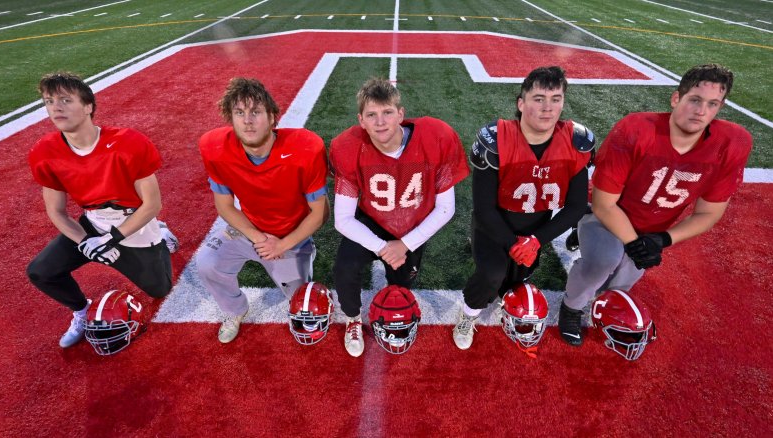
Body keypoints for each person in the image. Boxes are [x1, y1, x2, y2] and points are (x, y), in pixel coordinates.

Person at [559, 64, 752, 346]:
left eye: (712, 104)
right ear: (676, 99)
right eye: (695, 100)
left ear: (720, 108)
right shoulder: (637, 129)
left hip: (653, 227)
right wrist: (636, 244)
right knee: (603, 261)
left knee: (621, 283)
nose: (701, 111)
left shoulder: (732, 142)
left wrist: (662, 239)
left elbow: (709, 212)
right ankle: (570, 309)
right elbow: (604, 204)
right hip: (607, 217)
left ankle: (605, 303)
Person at [26, 72, 177, 349]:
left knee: (160, 289)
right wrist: (86, 241)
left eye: (64, 99)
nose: (56, 107)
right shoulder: (45, 151)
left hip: (134, 222)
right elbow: (57, 212)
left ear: (88, 107)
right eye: (49, 101)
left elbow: (152, 204)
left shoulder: (128, 142)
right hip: (93, 223)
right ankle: (81, 311)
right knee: (41, 271)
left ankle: (161, 234)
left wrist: (111, 239)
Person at [452, 66, 595, 350]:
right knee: (492, 274)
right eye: (539, 98)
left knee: (516, 280)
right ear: (521, 103)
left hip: (536, 227)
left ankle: (511, 260)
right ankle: (467, 316)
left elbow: (577, 205)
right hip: (493, 226)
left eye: (556, 98)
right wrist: (512, 242)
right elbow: (483, 207)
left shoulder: (576, 141)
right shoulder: (496, 140)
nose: (548, 107)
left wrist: (535, 241)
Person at [330, 78, 470, 357]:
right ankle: (353, 319)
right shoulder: (348, 147)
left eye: (387, 112)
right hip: (370, 219)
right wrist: (383, 247)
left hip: (413, 223)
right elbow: (342, 219)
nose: (380, 122)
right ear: (361, 120)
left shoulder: (436, 138)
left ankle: (397, 315)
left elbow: (445, 208)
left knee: (402, 283)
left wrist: (404, 244)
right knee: (344, 270)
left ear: (401, 114)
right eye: (371, 114)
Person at [196, 78, 329, 344]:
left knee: (301, 303)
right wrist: (259, 238)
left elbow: (321, 213)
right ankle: (235, 310)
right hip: (250, 230)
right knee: (207, 262)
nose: (248, 121)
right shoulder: (215, 147)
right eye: (239, 113)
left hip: (290, 235)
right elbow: (223, 205)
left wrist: (283, 244)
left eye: (256, 112)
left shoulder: (304, 148)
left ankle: (304, 252)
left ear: (272, 118)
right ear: (230, 119)